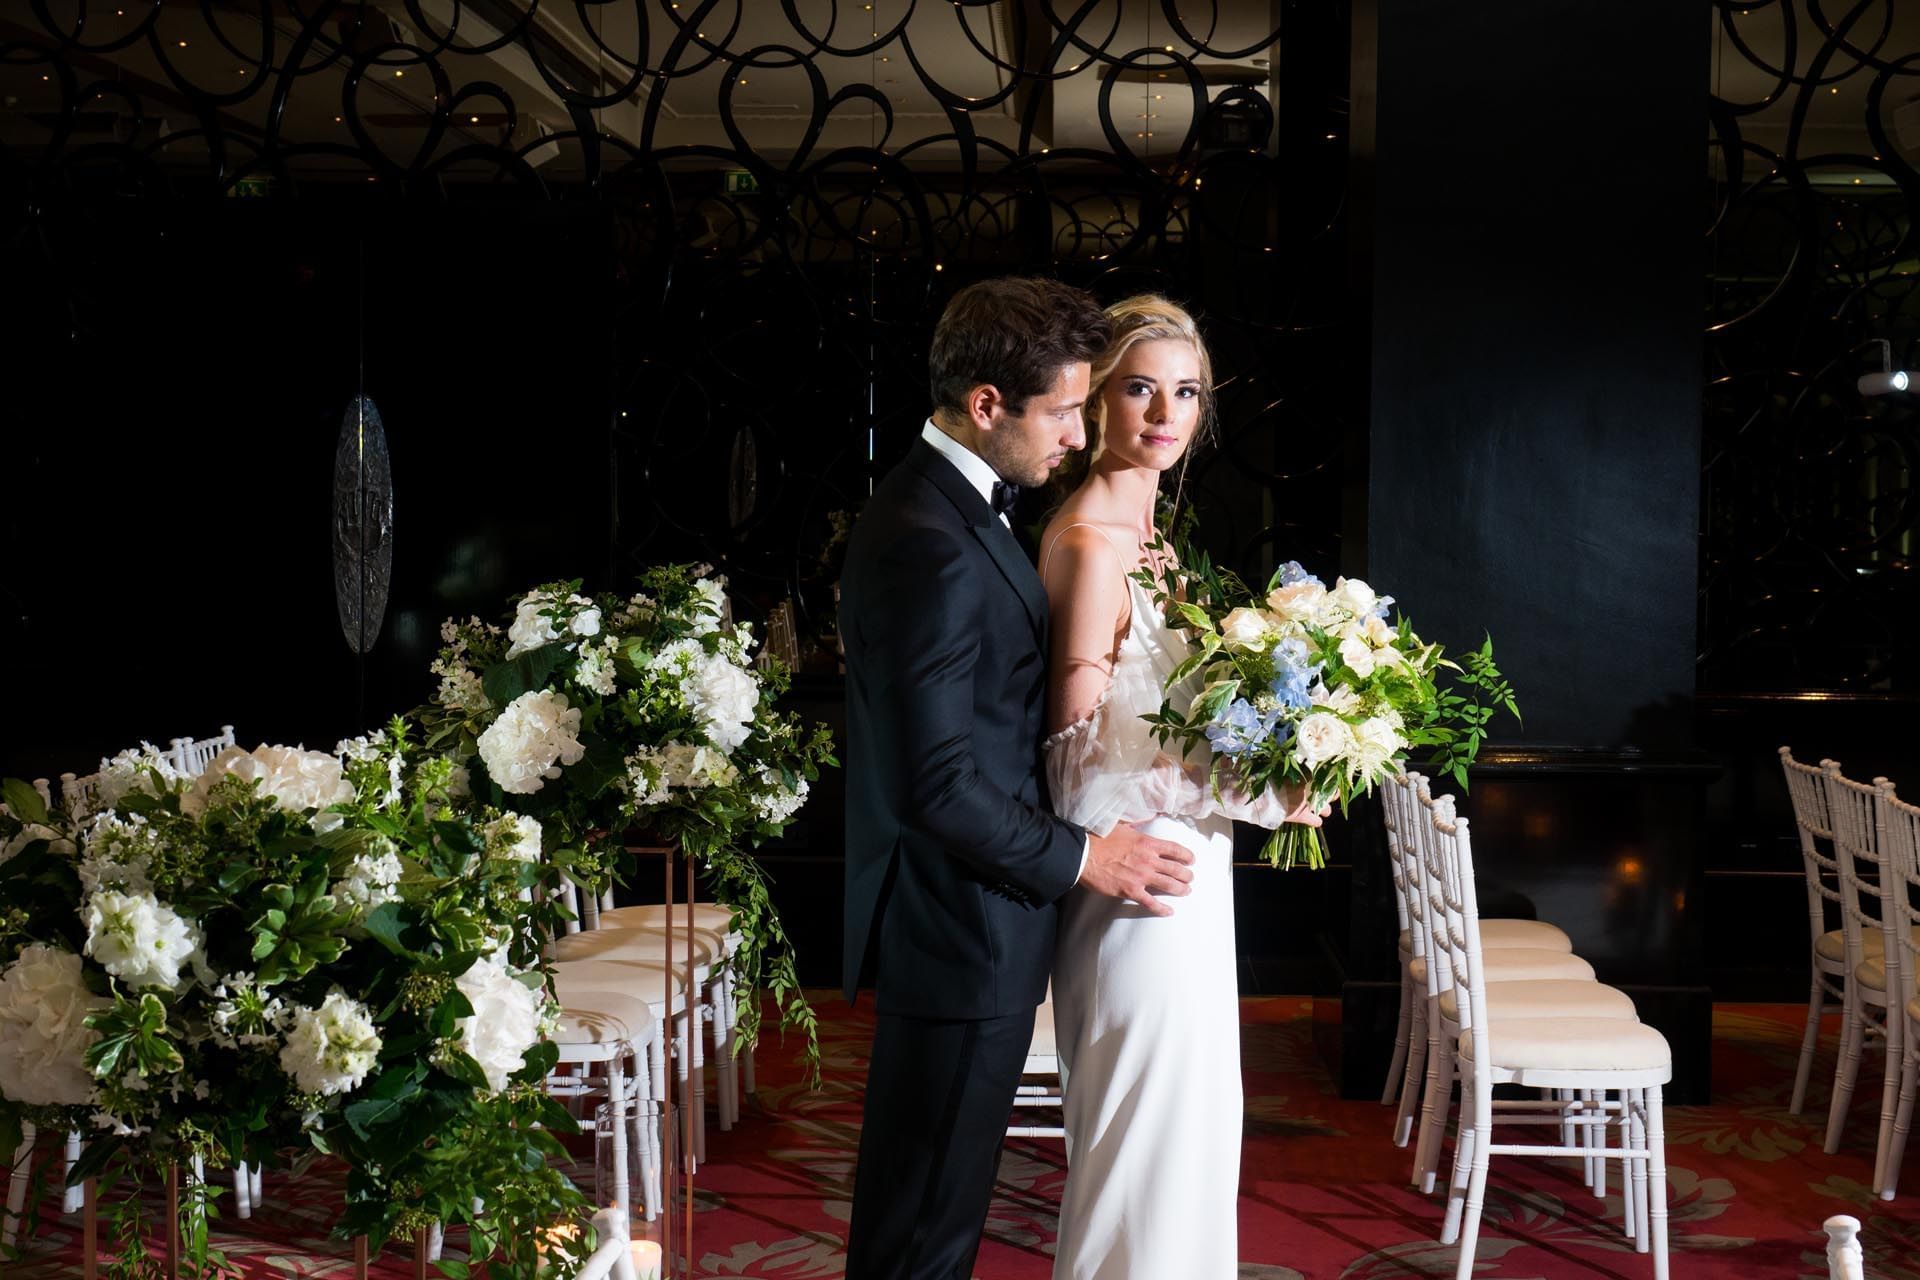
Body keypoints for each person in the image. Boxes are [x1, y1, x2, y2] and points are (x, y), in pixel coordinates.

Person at [839, 277, 1202, 1280]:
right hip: (959, 930)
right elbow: (936, 783)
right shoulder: (927, 539)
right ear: (987, 403)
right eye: (1062, 411)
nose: (1080, 439)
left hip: (974, 926)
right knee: (922, 1231)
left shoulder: (954, 508)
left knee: (931, 1217)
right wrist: (1089, 852)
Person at [1039, 295, 1322, 1279]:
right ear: (1098, 398)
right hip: (1136, 896)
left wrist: (1288, 762)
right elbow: (1071, 761)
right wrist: (1259, 794)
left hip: (1195, 890)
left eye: (1186, 391)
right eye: (1140, 387)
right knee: (1140, 1161)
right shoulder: (1088, 547)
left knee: (1194, 1146)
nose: (1165, 411)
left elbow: (1185, 725)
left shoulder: (1162, 546)